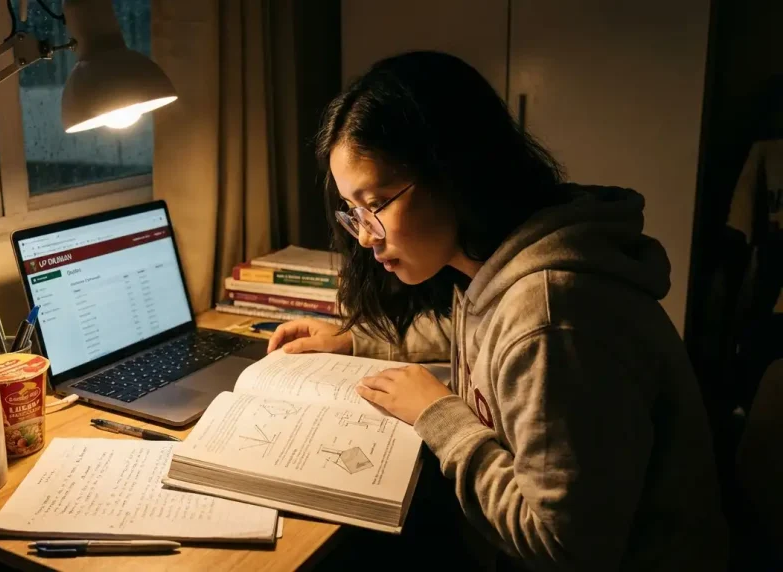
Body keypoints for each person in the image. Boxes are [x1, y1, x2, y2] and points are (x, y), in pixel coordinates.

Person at [267, 51, 728, 571]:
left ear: (455, 170)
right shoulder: (499, 264)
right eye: (355, 212)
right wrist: (353, 341)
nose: (367, 236)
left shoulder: (552, 320)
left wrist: (438, 416)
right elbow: (476, 332)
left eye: (376, 203)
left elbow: (564, 548)